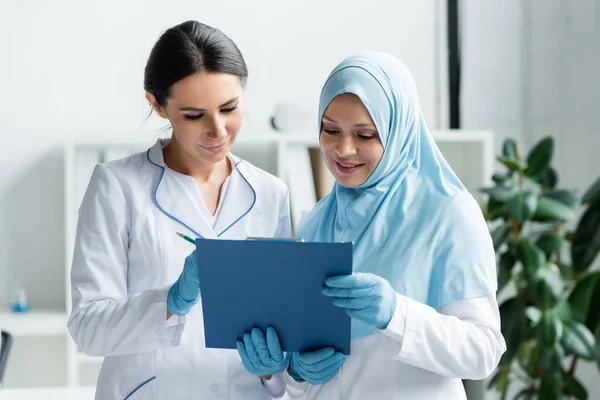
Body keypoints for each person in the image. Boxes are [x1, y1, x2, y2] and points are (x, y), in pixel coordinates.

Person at [67, 21, 291, 399]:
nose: (218, 130)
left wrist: (276, 366)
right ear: (157, 104)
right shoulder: (117, 186)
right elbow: (87, 327)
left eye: (229, 108)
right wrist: (169, 303)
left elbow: (280, 322)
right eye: (194, 115)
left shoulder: (270, 193)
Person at [283, 52, 507, 399]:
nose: (344, 149)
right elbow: (305, 372)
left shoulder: (449, 214)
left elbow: (483, 351)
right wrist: (295, 370)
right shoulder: (314, 222)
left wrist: (395, 313)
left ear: (398, 129)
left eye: (366, 135)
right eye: (331, 130)